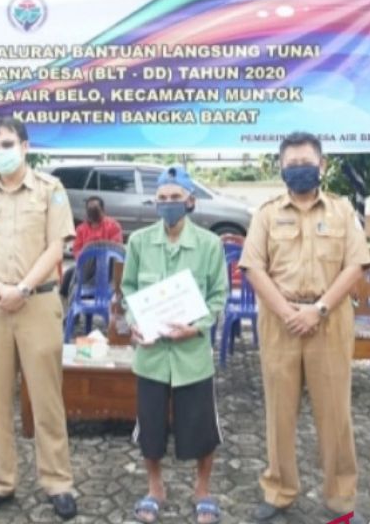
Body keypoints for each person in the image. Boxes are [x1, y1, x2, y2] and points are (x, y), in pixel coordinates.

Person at [239, 132, 370, 524]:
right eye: (292, 163)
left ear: (323, 166)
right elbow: (253, 267)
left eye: (306, 162)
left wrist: (318, 309)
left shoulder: (342, 211)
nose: (299, 169)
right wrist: (286, 312)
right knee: (280, 413)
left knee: (335, 415)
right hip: (279, 323)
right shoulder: (265, 213)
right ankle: (279, 492)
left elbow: (356, 265)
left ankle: (340, 500)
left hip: (328, 320)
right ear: (280, 168)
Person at [0, 116, 77, 520]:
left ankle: (57, 481)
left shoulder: (50, 190)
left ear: (25, 147)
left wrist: (23, 288)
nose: (0, 153)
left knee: (47, 397)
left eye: (7, 144)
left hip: (38, 302)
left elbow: (56, 247)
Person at [122, 165, 227, 524]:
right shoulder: (138, 242)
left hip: (191, 354)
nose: (168, 205)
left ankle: (202, 490)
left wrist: (196, 328)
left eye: (175, 198)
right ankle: (155, 488)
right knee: (150, 427)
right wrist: (134, 322)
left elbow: (218, 296)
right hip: (151, 354)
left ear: (190, 202)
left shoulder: (210, 245)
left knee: (200, 427)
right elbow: (129, 289)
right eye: (162, 199)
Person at [60, 196, 123, 298]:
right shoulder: (81, 229)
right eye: (90, 211)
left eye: (96, 211)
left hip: (106, 269)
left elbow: (116, 250)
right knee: (68, 275)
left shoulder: (113, 226)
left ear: (103, 210)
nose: (93, 215)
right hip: (86, 267)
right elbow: (77, 250)